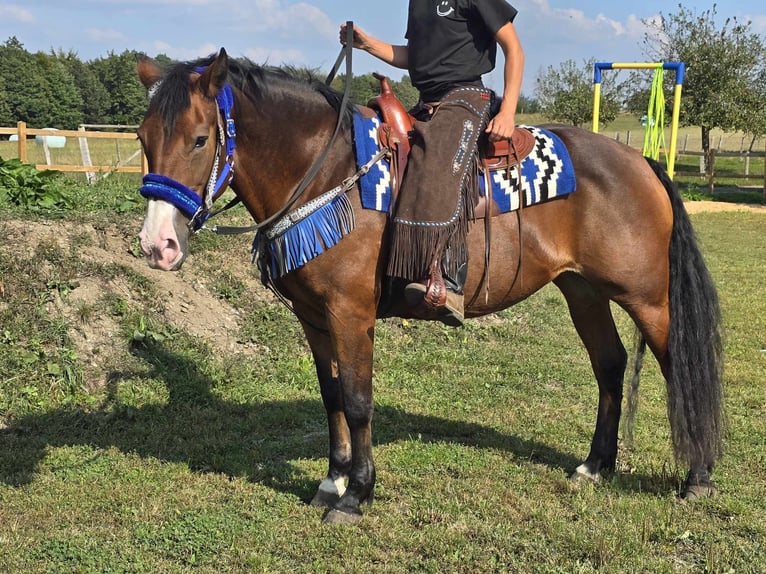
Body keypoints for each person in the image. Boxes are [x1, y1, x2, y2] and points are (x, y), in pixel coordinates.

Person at [340, 1, 524, 326]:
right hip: (427, 103)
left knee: (436, 165)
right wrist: (366, 44)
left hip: (466, 97)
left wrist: (508, 111)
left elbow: (513, 48)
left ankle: (448, 280)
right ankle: (390, 270)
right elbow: (415, 56)